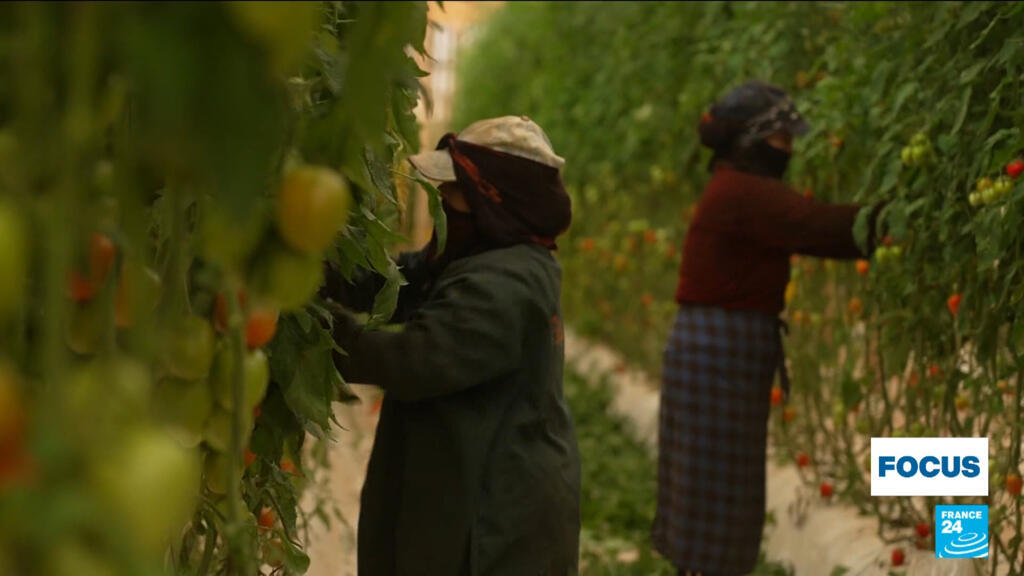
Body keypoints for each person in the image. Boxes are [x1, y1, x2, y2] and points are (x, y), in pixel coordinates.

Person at [322, 116, 581, 576]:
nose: (442, 202)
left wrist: (317, 329)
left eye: (453, 190)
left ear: (493, 200)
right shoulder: (482, 253)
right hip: (474, 487)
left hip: (494, 523)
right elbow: (401, 281)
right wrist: (328, 277)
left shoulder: (506, 284)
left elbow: (415, 362)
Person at [652, 81, 883, 576]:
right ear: (752, 140)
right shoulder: (744, 193)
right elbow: (822, 226)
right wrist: (901, 219)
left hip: (715, 348)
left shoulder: (735, 186)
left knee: (712, 487)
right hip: (720, 352)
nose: (790, 148)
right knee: (718, 491)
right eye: (781, 138)